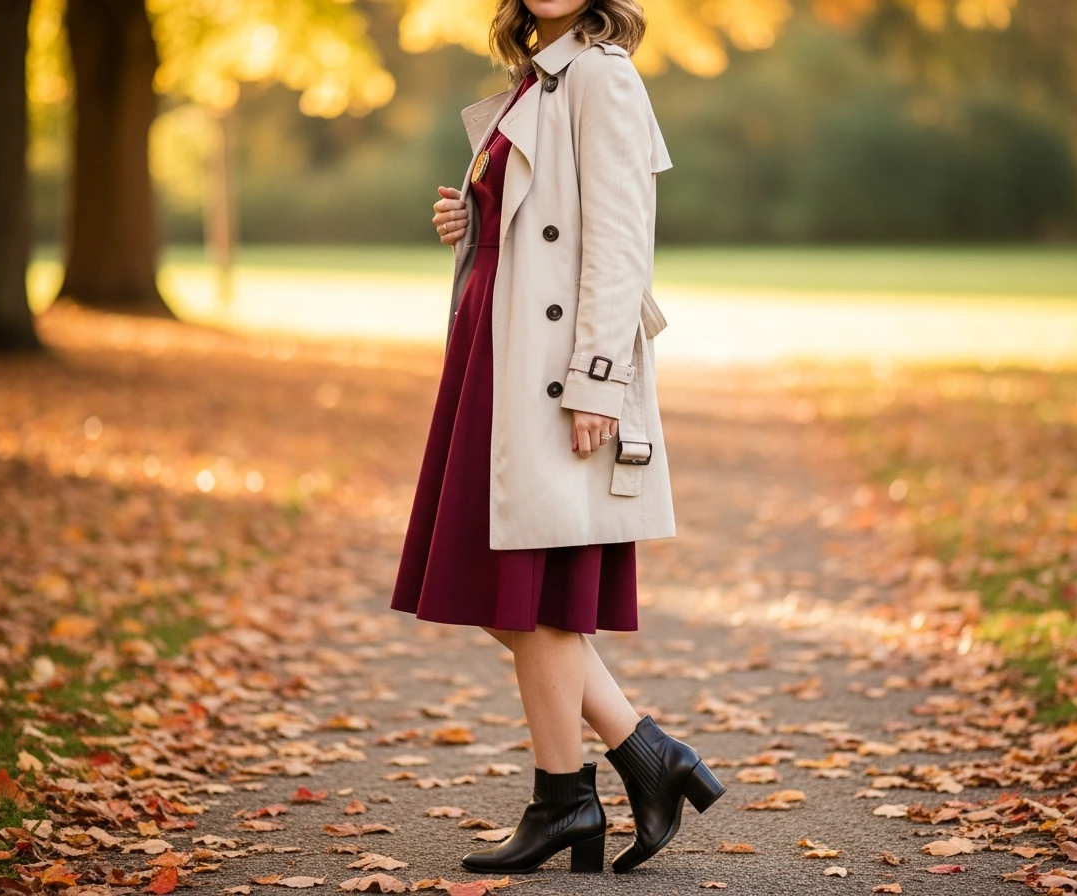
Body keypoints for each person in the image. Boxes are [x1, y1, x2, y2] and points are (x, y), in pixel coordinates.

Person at [389, 0, 725, 876]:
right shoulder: (541, 73)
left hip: (549, 371)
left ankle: (570, 796)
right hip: (496, 357)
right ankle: (636, 760)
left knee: (527, 596)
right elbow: (539, 222)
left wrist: (598, 382)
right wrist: (473, 214)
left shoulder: (603, 75)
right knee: (502, 586)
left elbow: (620, 245)